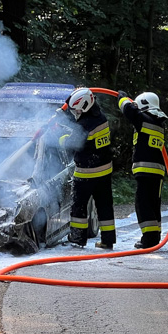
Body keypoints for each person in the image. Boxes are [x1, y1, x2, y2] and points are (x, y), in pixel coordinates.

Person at [61, 87, 116, 249]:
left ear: (84, 106)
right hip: (104, 171)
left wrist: (61, 139)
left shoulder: (85, 125)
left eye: (77, 110)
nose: (75, 113)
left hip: (86, 173)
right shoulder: (101, 117)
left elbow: (72, 145)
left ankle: (78, 238)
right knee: (105, 206)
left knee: (79, 206)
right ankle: (108, 240)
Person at [117, 91, 168, 249]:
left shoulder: (144, 119)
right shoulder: (158, 122)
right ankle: (154, 236)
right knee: (153, 204)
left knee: (143, 204)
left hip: (145, 169)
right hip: (158, 171)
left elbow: (128, 111)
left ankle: (149, 239)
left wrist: (122, 98)